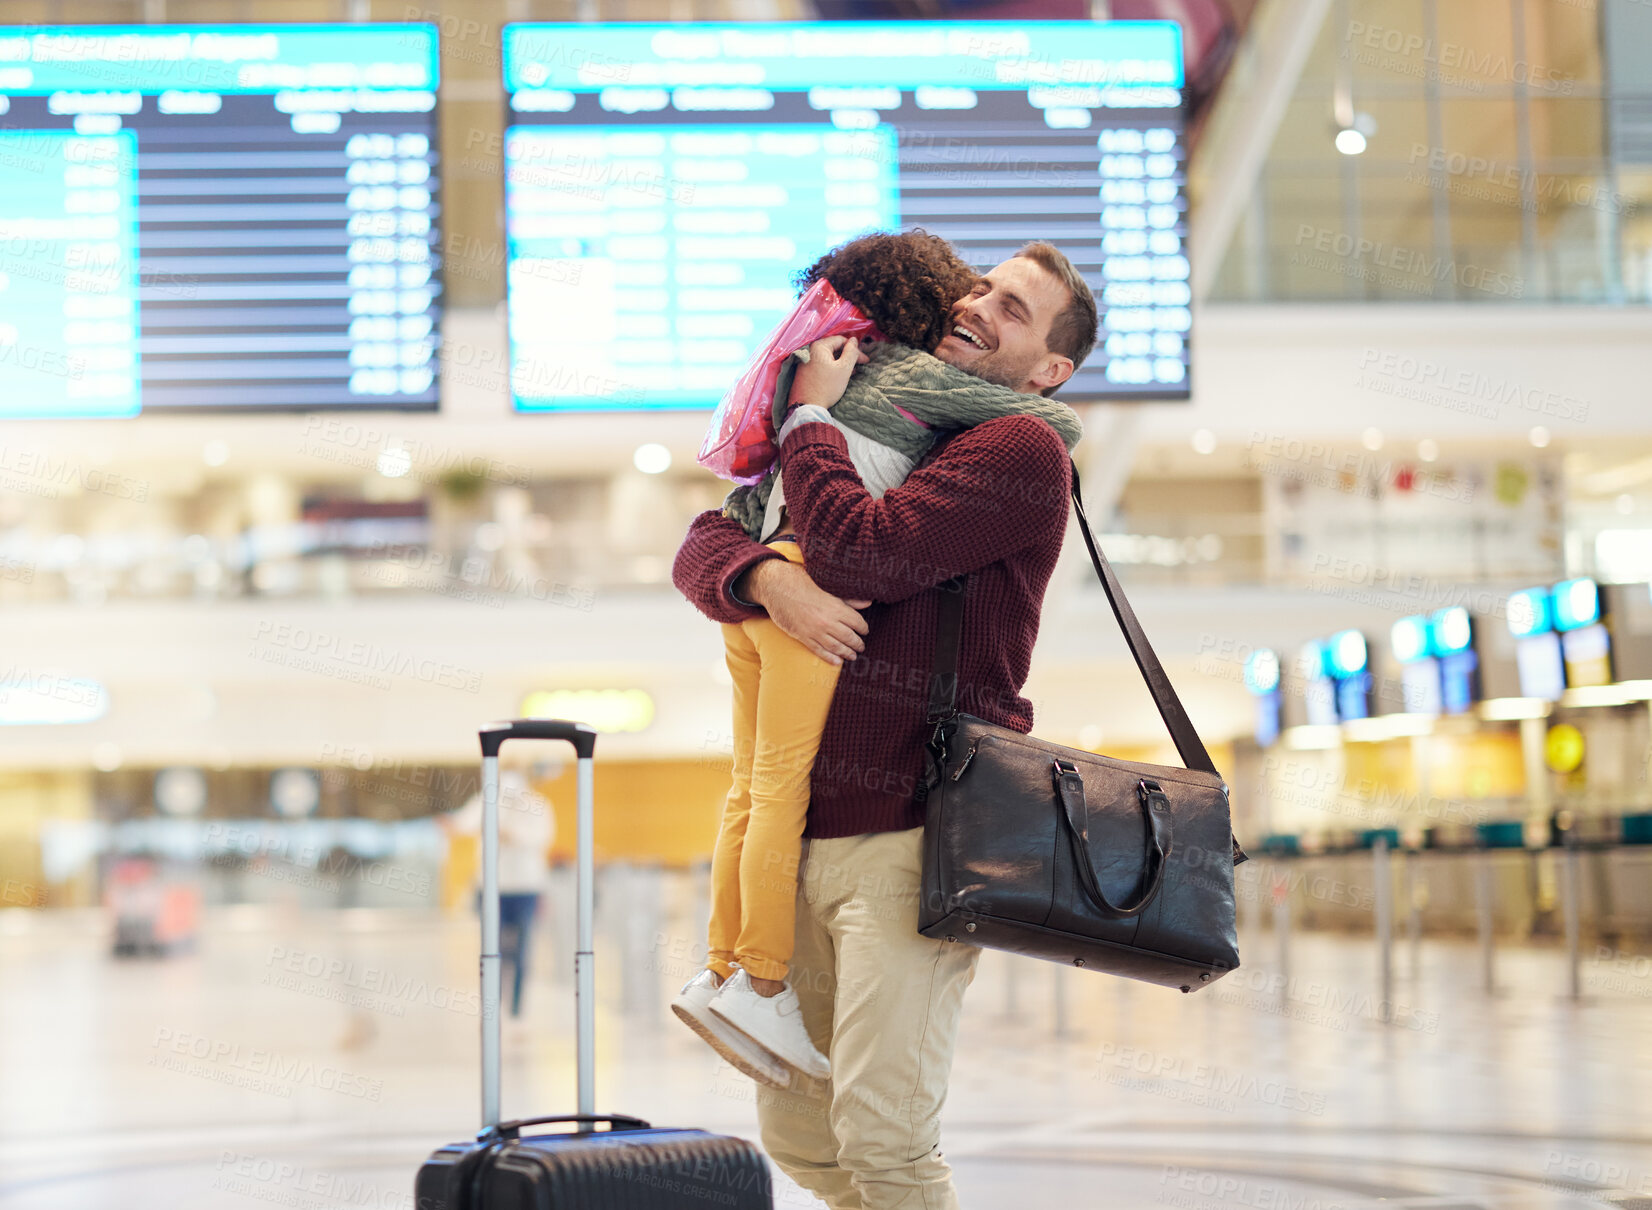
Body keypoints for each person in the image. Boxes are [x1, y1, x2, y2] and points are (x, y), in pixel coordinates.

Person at [672, 240, 1098, 1209]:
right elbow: (704, 542)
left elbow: (864, 553)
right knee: (798, 1130)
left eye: (1015, 310)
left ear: (1048, 371)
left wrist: (811, 420)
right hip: (810, 836)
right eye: (984, 285)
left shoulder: (1020, 452)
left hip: (914, 838)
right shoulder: (909, 419)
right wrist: (767, 578)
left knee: (883, 1136)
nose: (979, 304)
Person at [446, 769, 555, 1018]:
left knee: (521, 951)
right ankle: (491, 1009)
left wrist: (513, 835)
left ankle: (517, 1011)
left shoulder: (538, 805)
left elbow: (544, 837)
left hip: (526, 886)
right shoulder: (486, 800)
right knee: (491, 951)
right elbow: (463, 824)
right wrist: (452, 825)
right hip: (491, 887)